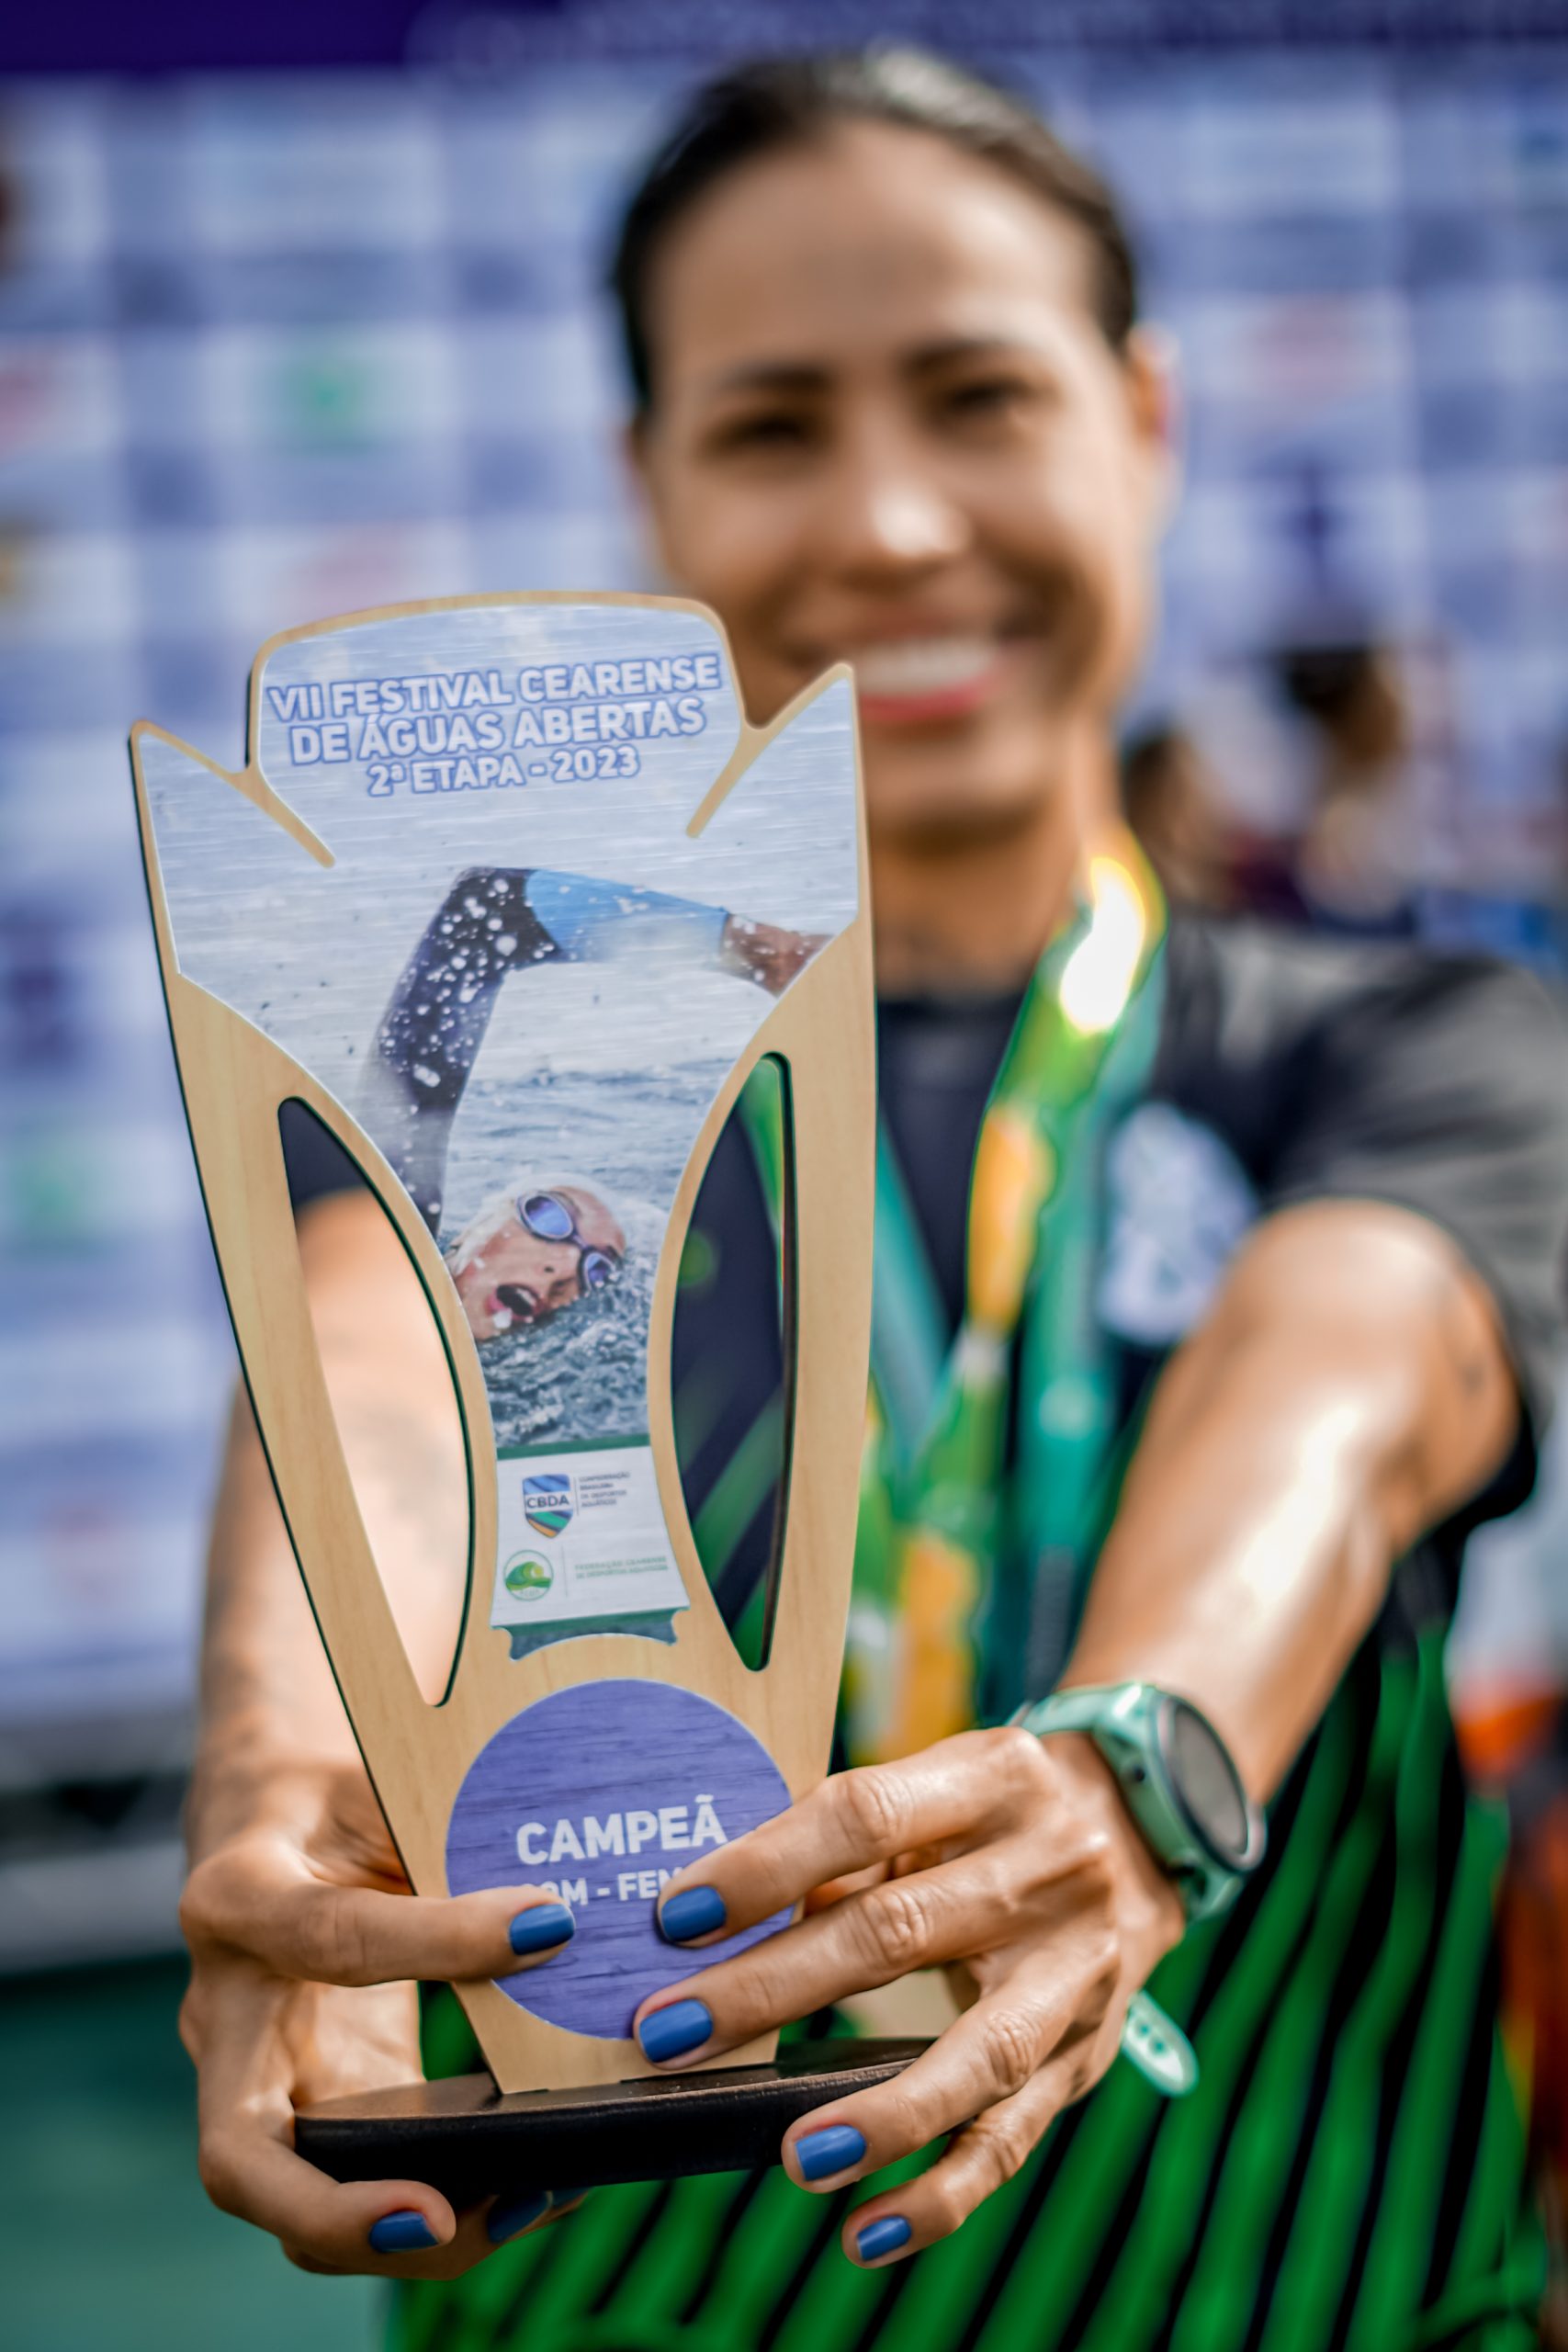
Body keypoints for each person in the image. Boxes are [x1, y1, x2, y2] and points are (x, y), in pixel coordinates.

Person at [175, 49, 1568, 2352]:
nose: (896, 524)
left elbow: (1341, 1395)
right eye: (772, 428)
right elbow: (375, 1395)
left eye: (976, 396)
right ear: (647, 485)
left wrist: (1138, 1752)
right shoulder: (513, 1078)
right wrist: (283, 1777)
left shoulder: (1416, 1040)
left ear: (1142, 421)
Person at [283, 861, 818, 1340]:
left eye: (597, 1271)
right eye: (549, 1217)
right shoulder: (375, 1241)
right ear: (465, 1236)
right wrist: (763, 952)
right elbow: (483, 913)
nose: (562, 1271)